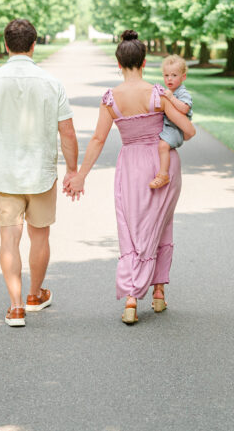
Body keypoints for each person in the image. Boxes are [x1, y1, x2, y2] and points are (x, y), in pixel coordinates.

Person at [66, 30, 195, 324]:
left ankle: (131, 299)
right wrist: (167, 136)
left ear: (119, 64)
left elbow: (98, 140)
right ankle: (158, 292)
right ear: (145, 62)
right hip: (162, 165)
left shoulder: (111, 99)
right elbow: (188, 130)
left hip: (130, 166)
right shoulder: (159, 94)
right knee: (161, 223)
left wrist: (81, 175)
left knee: (133, 226)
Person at [0, 18, 79, 327]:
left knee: (9, 239)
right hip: (41, 172)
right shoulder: (51, 83)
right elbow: (68, 133)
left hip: (3, 173)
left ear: (6, 46)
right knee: (40, 236)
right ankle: (35, 295)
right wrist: (72, 170)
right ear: (34, 45)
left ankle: (15, 306)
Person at [149, 54, 193, 189]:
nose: (169, 79)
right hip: (168, 127)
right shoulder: (168, 91)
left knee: (163, 146)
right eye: (166, 75)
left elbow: (185, 108)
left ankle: (163, 175)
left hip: (176, 129)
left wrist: (171, 98)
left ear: (183, 77)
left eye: (174, 75)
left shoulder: (182, 93)